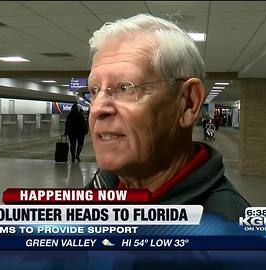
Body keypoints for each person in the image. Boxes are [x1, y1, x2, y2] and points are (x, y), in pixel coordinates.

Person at [81, 14, 249, 220]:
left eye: (125, 87)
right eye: (95, 90)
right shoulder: (105, 183)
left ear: (188, 103)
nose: (97, 108)